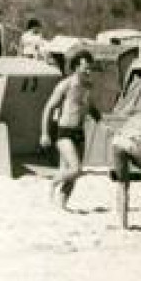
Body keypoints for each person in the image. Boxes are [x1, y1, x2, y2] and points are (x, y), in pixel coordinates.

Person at [39, 50, 101, 210]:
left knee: (71, 176)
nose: (89, 71)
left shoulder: (88, 85)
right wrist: (45, 133)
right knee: (76, 169)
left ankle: (61, 206)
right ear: (76, 67)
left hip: (79, 132)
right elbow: (48, 108)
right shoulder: (65, 85)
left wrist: (97, 115)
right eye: (85, 68)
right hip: (64, 131)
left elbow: (88, 106)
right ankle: (53, 182)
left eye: (90, 68)